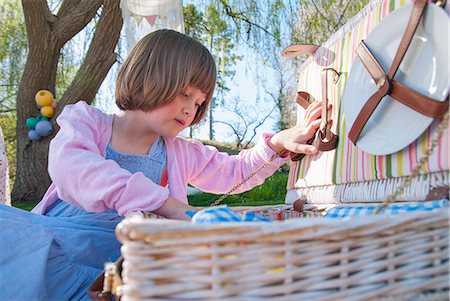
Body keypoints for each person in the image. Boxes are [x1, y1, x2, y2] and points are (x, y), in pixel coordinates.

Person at [0, 29, 326, 300]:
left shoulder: (180, 152)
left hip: (114, 265)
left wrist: (277, 145)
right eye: (185, 94)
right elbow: (74, 168)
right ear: (149, 77)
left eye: (199, 103)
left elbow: (235, 172)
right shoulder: (88, 121)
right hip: (54, 244)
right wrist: (163, 203)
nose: (191, 110)